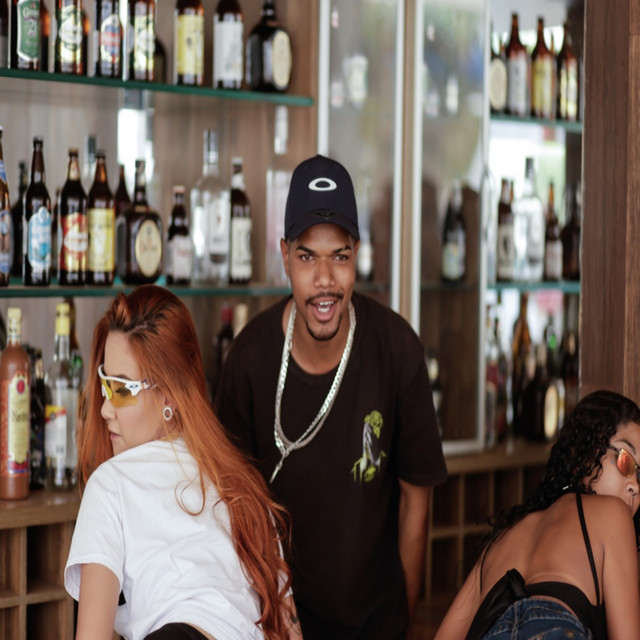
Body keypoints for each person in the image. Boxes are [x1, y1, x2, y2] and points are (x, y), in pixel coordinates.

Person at [215, 154, 448, 639]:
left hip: (373, 626)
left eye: (339, 256)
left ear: (357, 254)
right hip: (275, 626)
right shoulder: (249, 360)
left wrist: (399, 625)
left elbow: (416, 502)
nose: (324, 279)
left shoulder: (397, 351)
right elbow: (230, 509)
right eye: (307, 257)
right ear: (284, 255)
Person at [64, 285, 302, 640]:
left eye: (122, 390)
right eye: (105, 384)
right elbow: (290, 629)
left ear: (169, 395)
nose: (105, 409)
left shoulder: (109, 483)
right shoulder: (242, 485)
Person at [435, 389, 640, 639]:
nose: (635, 485)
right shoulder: (614, 514)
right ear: (586, 453)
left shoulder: (500, 541)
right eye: (626, 461)